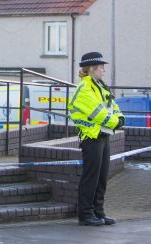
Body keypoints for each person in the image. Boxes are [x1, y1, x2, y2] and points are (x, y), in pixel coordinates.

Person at [68, 52, 124, 226]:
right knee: (91, 177)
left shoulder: (99, 86)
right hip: (91, 137)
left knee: (101, 176)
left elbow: (112, 106)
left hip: (103, 135)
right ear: (92, 68)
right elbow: (99, 113)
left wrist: (119, 117)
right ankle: (85, 215)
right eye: (101, 67)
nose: (104, 70)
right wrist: (116, 122)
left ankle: (98, 212)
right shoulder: (85, 88)